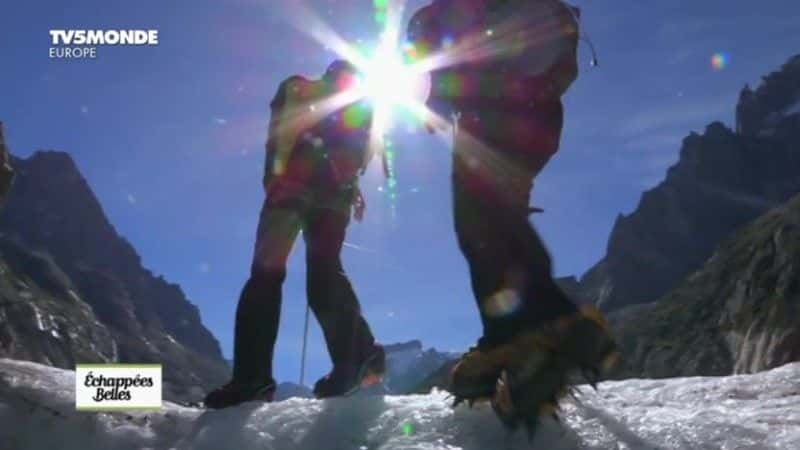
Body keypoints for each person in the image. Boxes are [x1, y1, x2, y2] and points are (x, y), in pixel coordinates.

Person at [406, 0, 618, 420]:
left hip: (492, 114)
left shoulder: (447, 15)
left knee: (478, 225)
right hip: (538, 117)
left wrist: (438, 100)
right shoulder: (537, 13)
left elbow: (436, 44)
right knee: (498, 218)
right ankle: (535, 332)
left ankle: (532, 333)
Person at [204, 60, 385, 409]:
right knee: (325, 272)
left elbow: (280, 134)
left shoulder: (299, 88)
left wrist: (273, 180)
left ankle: (253, 379)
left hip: (292, 189)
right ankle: (360, 355)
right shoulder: (361, 108)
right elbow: (360, 157)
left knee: (266, 277)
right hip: (336, 197)